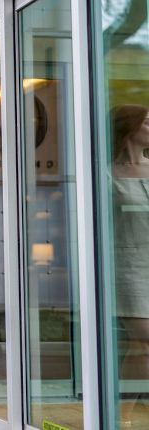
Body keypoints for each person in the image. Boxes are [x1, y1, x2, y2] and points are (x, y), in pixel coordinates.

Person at [110, 104, 149, 427]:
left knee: (140, 347)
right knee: (144, 341)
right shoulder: (108, 172)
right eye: (146, 121)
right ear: (129, 128)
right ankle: (122, 414)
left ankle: (123, 412)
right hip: (128, 265)